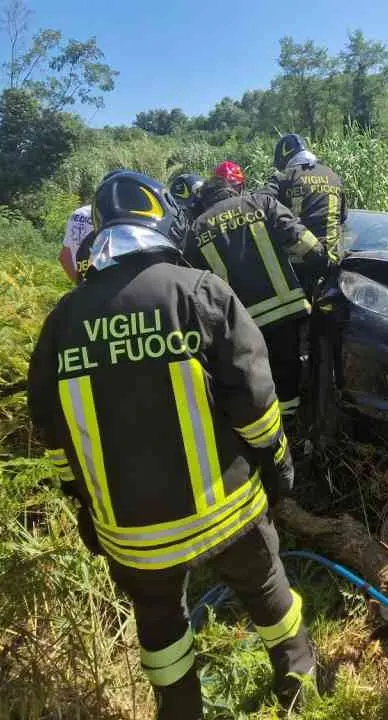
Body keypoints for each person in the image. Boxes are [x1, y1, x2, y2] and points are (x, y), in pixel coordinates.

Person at [27, 171, 315, 720]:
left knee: (160, 624)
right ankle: (301, 687)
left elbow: (51, 434)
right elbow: (255, 402)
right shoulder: (199, 292)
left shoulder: (61, 322)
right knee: (268, 593)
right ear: (163, 220)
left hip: (132, 535)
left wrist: (83, 504)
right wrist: (278, 467)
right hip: (228, 514)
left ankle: (179, 710)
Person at [188, 174, 329, 421]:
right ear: (233, 189)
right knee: (288, 376)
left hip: (240, 325)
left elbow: (191, 287)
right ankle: (291, 428)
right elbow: (309, 248)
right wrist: (321, 265)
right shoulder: (262, 204)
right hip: (285, 314)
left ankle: (263, 432)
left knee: (253, 382)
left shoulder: (196, 230)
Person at [261, 134, 347, 262]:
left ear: (284, 160)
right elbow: (343, 217)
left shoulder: (284, 177)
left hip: (300, 261)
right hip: (333, 258)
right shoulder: (333, 176)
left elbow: (260, 203)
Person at [59, 202, 93, 282]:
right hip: (109, 287)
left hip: (84, 285)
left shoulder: (78, 213)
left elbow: (64, 256)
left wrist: (80, 286)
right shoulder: (114, 217)